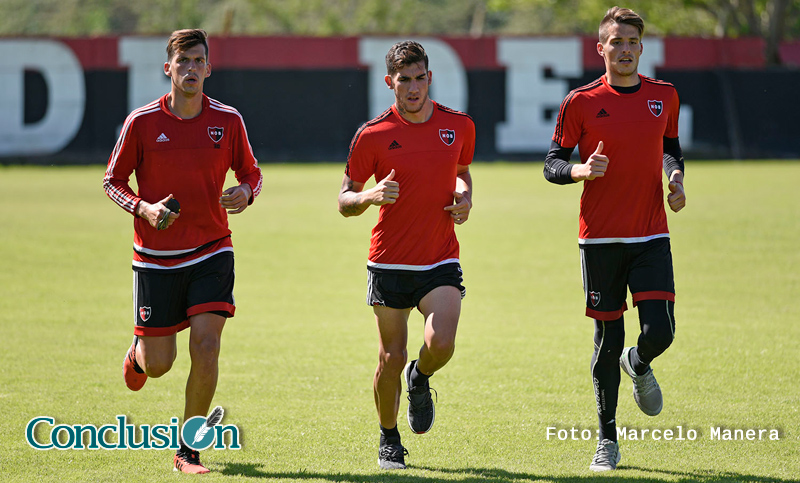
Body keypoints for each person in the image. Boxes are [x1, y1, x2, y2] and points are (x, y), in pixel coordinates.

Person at [102, 29, 262, 474]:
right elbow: (112, 181)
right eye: (183, 61)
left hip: (212, 250)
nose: (191, 69)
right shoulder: (142, 122)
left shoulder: (228, 120)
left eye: (199, 61)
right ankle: (139, 352)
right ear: (168, 68)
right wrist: (143, 208)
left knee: (207, 347)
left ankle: (187, 451)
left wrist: (246, 192)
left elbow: (252, 172)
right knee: (159, 366)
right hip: (155, 258)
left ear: (209, 68)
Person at [543, 6, 686, 472]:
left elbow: (669, 146)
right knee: (607, 338)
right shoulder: (579, 102)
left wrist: (676, 177)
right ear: (600, 48)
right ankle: (607, 438)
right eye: (615, 42)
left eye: (632, 43)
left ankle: (639, 362)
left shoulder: (664, 96)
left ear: (641, 48)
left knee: (660, 332)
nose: (624, 50)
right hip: (600, 240)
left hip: (650, 234)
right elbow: (552, 164)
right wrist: (580, 169)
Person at [338, 40, 475, 470]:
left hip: (440, 260)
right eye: (404, 81)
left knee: (442, 343)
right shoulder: (372, 135)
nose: (413, 88)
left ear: (430, 78)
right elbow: (344, 199)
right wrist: (371, 195)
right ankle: (388, 437)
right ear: (389, 83)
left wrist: (466, 196)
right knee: (390, 358)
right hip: (389, 262)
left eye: (420, 79)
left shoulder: (459, 126)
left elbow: (462, 172)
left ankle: (422, 377)